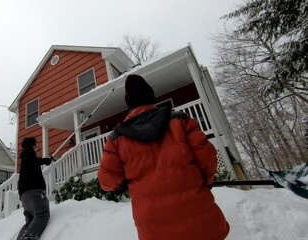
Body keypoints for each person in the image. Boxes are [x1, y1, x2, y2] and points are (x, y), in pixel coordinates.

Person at [98, 74, 230, 240]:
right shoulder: (180, 120)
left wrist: (122, 184)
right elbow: (208, 157)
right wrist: (205, 182)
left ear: (129, 103)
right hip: (200, 219)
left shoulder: (116, 138)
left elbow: (107, 181)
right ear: (151, 95)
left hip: (154, 229)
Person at [16, 137, 53, 240]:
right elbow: (34, 160)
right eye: (36, 144)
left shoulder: (25, 157)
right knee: (42, 214)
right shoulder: (29, 154)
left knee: (31, 221)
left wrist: (45, 161)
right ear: (32, 145)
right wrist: (46, 160)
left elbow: (34, 161)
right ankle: (28, 238)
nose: (38, 146)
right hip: (33, 192)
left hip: (24, 195)